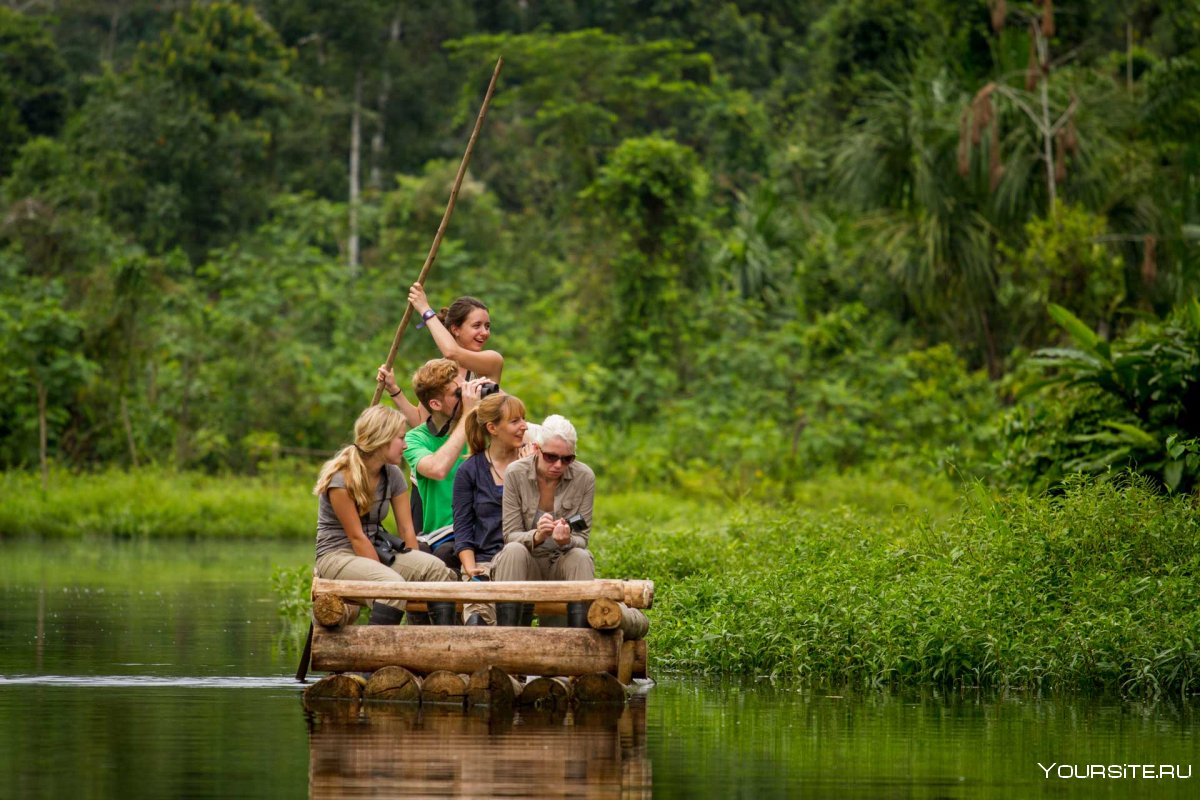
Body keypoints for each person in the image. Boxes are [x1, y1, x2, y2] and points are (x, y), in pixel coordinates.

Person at [312, 405, 459, 625]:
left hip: (376, 548)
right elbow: (356, 537)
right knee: (391, 586)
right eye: (401, 438)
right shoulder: (341, 479)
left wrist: (416, 566)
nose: (406, 445)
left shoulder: (392, 474)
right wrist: (386, 579)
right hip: (337, 554)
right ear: (382, 439)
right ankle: (376, 652)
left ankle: (444, 645)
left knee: (437, 570)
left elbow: (407, 530)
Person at [495, 414, 596, 627]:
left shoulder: (584, 477)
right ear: (537, 449)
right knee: (512, 550)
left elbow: (582, 538)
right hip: (527, 561)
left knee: (581, 556)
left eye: (567, 459)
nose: (559, 464)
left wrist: (565, 541)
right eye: (551, 457)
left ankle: (580, 642)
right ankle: (506, 637)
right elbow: (510, 535)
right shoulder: (516, 473)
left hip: (561, 562)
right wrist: (538, 535)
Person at [403, 358, 492, 560]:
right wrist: (467, 414)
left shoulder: (485, 427)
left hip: (482, 529)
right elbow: (438, 469)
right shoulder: (415, 438)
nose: (465, 396)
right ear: (435, 404)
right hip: (442, 536)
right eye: (458, 393)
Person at [452, 393, 528, 625]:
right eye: (515, 421)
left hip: (524, 561)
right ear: (492, 428)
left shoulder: (534, 463)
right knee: (477, 619)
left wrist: (531, 473)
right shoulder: (469, 470)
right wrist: (470, 568)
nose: (524, 426)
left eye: (523, 419)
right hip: (484, 562)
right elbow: (462, 528)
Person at [407, 284, 503, 385]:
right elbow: (427, 401)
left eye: (487, 326)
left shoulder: (493, 360)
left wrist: (425, 310)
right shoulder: (436, 369)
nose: (485, 332)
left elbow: (451, 353)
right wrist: (395, 391)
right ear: (456, 330)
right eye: (476, 325)